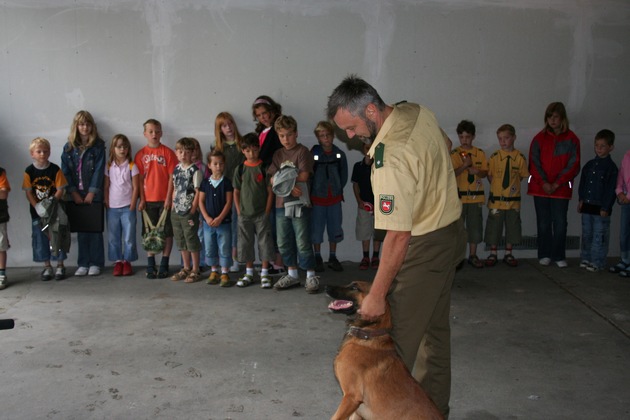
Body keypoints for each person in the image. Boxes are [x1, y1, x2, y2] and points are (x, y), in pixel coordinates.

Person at [327, 75, 464, 417]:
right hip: (450, 232)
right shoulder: (415, 111)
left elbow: (398, 237)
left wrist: (376, 296)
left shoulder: (390, 158)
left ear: (371, 110)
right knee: (434, 338)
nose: (350, 136)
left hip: (424, 246)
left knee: (387, 349)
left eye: (352, 126)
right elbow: (445, 146)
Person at [267, 115, 320, 294]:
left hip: (300, 204)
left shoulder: (303, 152)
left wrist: (283, 181)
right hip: (281, 205)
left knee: (302, 241)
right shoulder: (277, 154)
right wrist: (289, 188)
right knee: (283, 242)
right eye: (281, 135)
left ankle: (311, 275)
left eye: (289, 135)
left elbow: (304, 176)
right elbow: (273, 179)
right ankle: (292, 274)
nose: (286, 139)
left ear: (296, 133)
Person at [527, 102, 581, 268]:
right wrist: (544, 183)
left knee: (560, 223)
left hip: (561, 189)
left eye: (556, 117)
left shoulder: (572, 139)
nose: (552, 120)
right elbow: (533, 163)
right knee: (543, 223)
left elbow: (574, 165)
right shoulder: (538, 139)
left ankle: (558, 255)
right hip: (540, 189)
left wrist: (557, 183)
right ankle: (544, 254)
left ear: (562, 118)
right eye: (549, 117)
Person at [61, 110, 106, 277]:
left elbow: (99, 171)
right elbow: (65, 172)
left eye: (87, 124)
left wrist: (92, 192)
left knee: (94, 230)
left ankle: (96, 263)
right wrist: (73, 192)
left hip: (93, 194)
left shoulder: (98, 146)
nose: (84, 127)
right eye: (81, 124)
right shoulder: (68, 148)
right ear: (76, 126)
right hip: (76, 194)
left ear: (92, 126)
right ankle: (83, 263)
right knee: (81, 230)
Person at [134, 119, 178, 278]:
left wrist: (169, 199)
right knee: (149, 232)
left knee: (167, 232)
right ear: (145, 134)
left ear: (161, 133)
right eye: (151, 131)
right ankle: (151, 263)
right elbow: (139, 180)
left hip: (164, 200)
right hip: (148, 200)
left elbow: (172, 177)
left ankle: (164, 263)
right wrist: (142, 199)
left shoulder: (168, 153)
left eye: (157, 131)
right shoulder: (140, 155)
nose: (154, 134)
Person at [232, 133, 275, 288]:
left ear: (259, 149)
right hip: (244, 214)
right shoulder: (240, 169)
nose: (252, 154)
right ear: (243, 151)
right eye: (248, 151)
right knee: (245, 243)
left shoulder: (264, 168)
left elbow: (270, 192)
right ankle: (249, 273)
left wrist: (267, 211)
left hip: (261, 214)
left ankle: (265, 273)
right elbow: (236, 191)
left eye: (255, 150)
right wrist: (238, 211)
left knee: (265, 243)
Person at [23, 137, 69, 281]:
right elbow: (28, 192)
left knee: (57, 237)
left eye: (45, 151)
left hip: (55, 212)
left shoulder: (55, 169)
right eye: (39, 151)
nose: (42, 154)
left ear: (49, 152)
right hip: (38, 214)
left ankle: (60, 265)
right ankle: (47, 266)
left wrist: (52, 202)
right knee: (41, 239)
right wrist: (36, 206)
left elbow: (61, 189)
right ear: (32, 153)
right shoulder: (29, 171)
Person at [483, 124, 529, 267]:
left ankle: (508, 253)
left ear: (514, 138)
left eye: (506, 138)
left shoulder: (520, 158)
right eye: (500, 139)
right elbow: (489, 176)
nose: (503, 142)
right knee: (494, 227)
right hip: (497, 201)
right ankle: (493, 253)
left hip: (513, 201)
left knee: (512, 227)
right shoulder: (495, 157)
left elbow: (521, 176)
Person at [252, 95, 285, 274]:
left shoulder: (276, 131)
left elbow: (266, 156)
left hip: (273, 181)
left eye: (265, 113)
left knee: (274, 222)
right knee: (267, 223)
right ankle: (272, 261)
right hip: (263, 182)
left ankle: (278, 262)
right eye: (259, 115)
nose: (263, 117)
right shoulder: (262, 132)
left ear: (273, 111)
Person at [577, 129, 618, 272]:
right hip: (587, 205)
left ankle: (598, 261)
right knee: (587, 234)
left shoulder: (611, 168)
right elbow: (583, 184)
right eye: (597, 145)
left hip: (601, 208)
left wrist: (606, 207)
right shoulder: (589, 165)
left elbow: (611, 189)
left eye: (602, 146)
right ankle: (586, 258)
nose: (599, 149)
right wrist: (581, 199)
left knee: (599, 236)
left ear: (610, 147)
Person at [310, 121, 348, 272]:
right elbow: (309, 175)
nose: (325, 138)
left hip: (334, 200)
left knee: (335, 228)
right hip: (318, 200)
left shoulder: (339, 154)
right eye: (322, 136)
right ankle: (317, 256)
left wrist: (338, 188)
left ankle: (333, 256)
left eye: (328, 135)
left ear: (333, 136)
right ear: (318, 138)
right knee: (316, 229)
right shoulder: (313, 154)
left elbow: (343, 174)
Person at [451, 119, 488, 269]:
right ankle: (458, 258)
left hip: (475, 197)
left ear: (473, 137)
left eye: (467, 137)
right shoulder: (454, 154)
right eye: (461, 137)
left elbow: (485, 173)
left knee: (474, 228)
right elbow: (451, 174)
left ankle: (473, 255)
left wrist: (477, 171)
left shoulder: (479, 153)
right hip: (459, 198)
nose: (464, 140)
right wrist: (464, 166)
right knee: (458, 229)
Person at [213, 112, 245, 273]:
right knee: (223, 226)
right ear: (219, 129)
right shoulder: (218, 147)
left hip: (239, 191)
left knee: (236, 225)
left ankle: (235, 258)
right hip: (222, 192)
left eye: (230, 123)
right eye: (224, 125)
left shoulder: (242, 144)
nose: (229, 127)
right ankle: (222, 258)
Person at [104, 134, 139, 276]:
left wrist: (132, 204)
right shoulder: (108, 166)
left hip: (127, 208)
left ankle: (127, 261)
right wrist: (107, 202)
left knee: (129, 237)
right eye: (119, 146)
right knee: (113, 236)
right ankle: (118, 261)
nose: (122, 149)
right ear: (113, 148)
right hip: (112, 207)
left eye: (125, 147)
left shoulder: (132, 166)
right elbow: (106, 186)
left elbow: (136, 187)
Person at [169, 138, 203, 283]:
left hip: (188, 210)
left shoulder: (195, 171)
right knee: (181, 239)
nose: (183, 155)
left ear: (192, 153)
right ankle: (186, 267)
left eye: (187, 152)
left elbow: (198, 191)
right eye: (180, 152)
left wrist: (194, 209)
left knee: (191, 238)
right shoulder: (176, 169)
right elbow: (175, 188)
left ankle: (196, 269)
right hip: (176, 210)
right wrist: (172, 203)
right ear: (176, 153)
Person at [199, 149, 233, 287]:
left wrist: (220, 218)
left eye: (221, 163)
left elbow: (229, 202)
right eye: (215, 163)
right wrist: (206, 217)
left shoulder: (226, 182)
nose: (218, 166)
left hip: (223, 222)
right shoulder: (205, 183)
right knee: (210, 246)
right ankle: (214, 271)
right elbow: (200, 201)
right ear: (209, 165)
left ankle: (225, 272)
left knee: (224, 246)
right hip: (208, 224)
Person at [351, 141, 382, 270]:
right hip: (364, 204)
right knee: (364, 231)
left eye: (373, 148)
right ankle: (365, 257)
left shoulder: (380, 165)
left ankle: (375, 256)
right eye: (367, 148)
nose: (370, 151)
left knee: (377, 232)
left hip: (379, 206)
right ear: (363, 149)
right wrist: (359, 202)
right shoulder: (358, 166)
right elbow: (355, 185)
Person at [612, 148, 630, 277]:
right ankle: (625, 260)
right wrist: (619, 192)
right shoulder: (627, 155)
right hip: (625, 201)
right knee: (624, 233)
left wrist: (628, 196)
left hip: (627, 198)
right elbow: (621, 176)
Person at [0, 165, 10, 290]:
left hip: (0, 217)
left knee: (1, 245)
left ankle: (1, 274)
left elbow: (3, 194)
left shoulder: (1, 173)